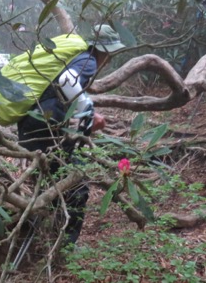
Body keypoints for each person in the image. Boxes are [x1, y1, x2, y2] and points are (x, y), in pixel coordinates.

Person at [17, 23, 125, 243]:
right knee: (76, 184)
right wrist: (89, 112)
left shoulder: (76, 58)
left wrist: (85, 118)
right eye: (110, 55)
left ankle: (38, 235)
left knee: (52, 182)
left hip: (32, 126)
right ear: (105, 51)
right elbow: (67, 80)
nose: (109, 60)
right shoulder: (88, 61)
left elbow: (64, 95)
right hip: (46, 127)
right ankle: (65, 246)